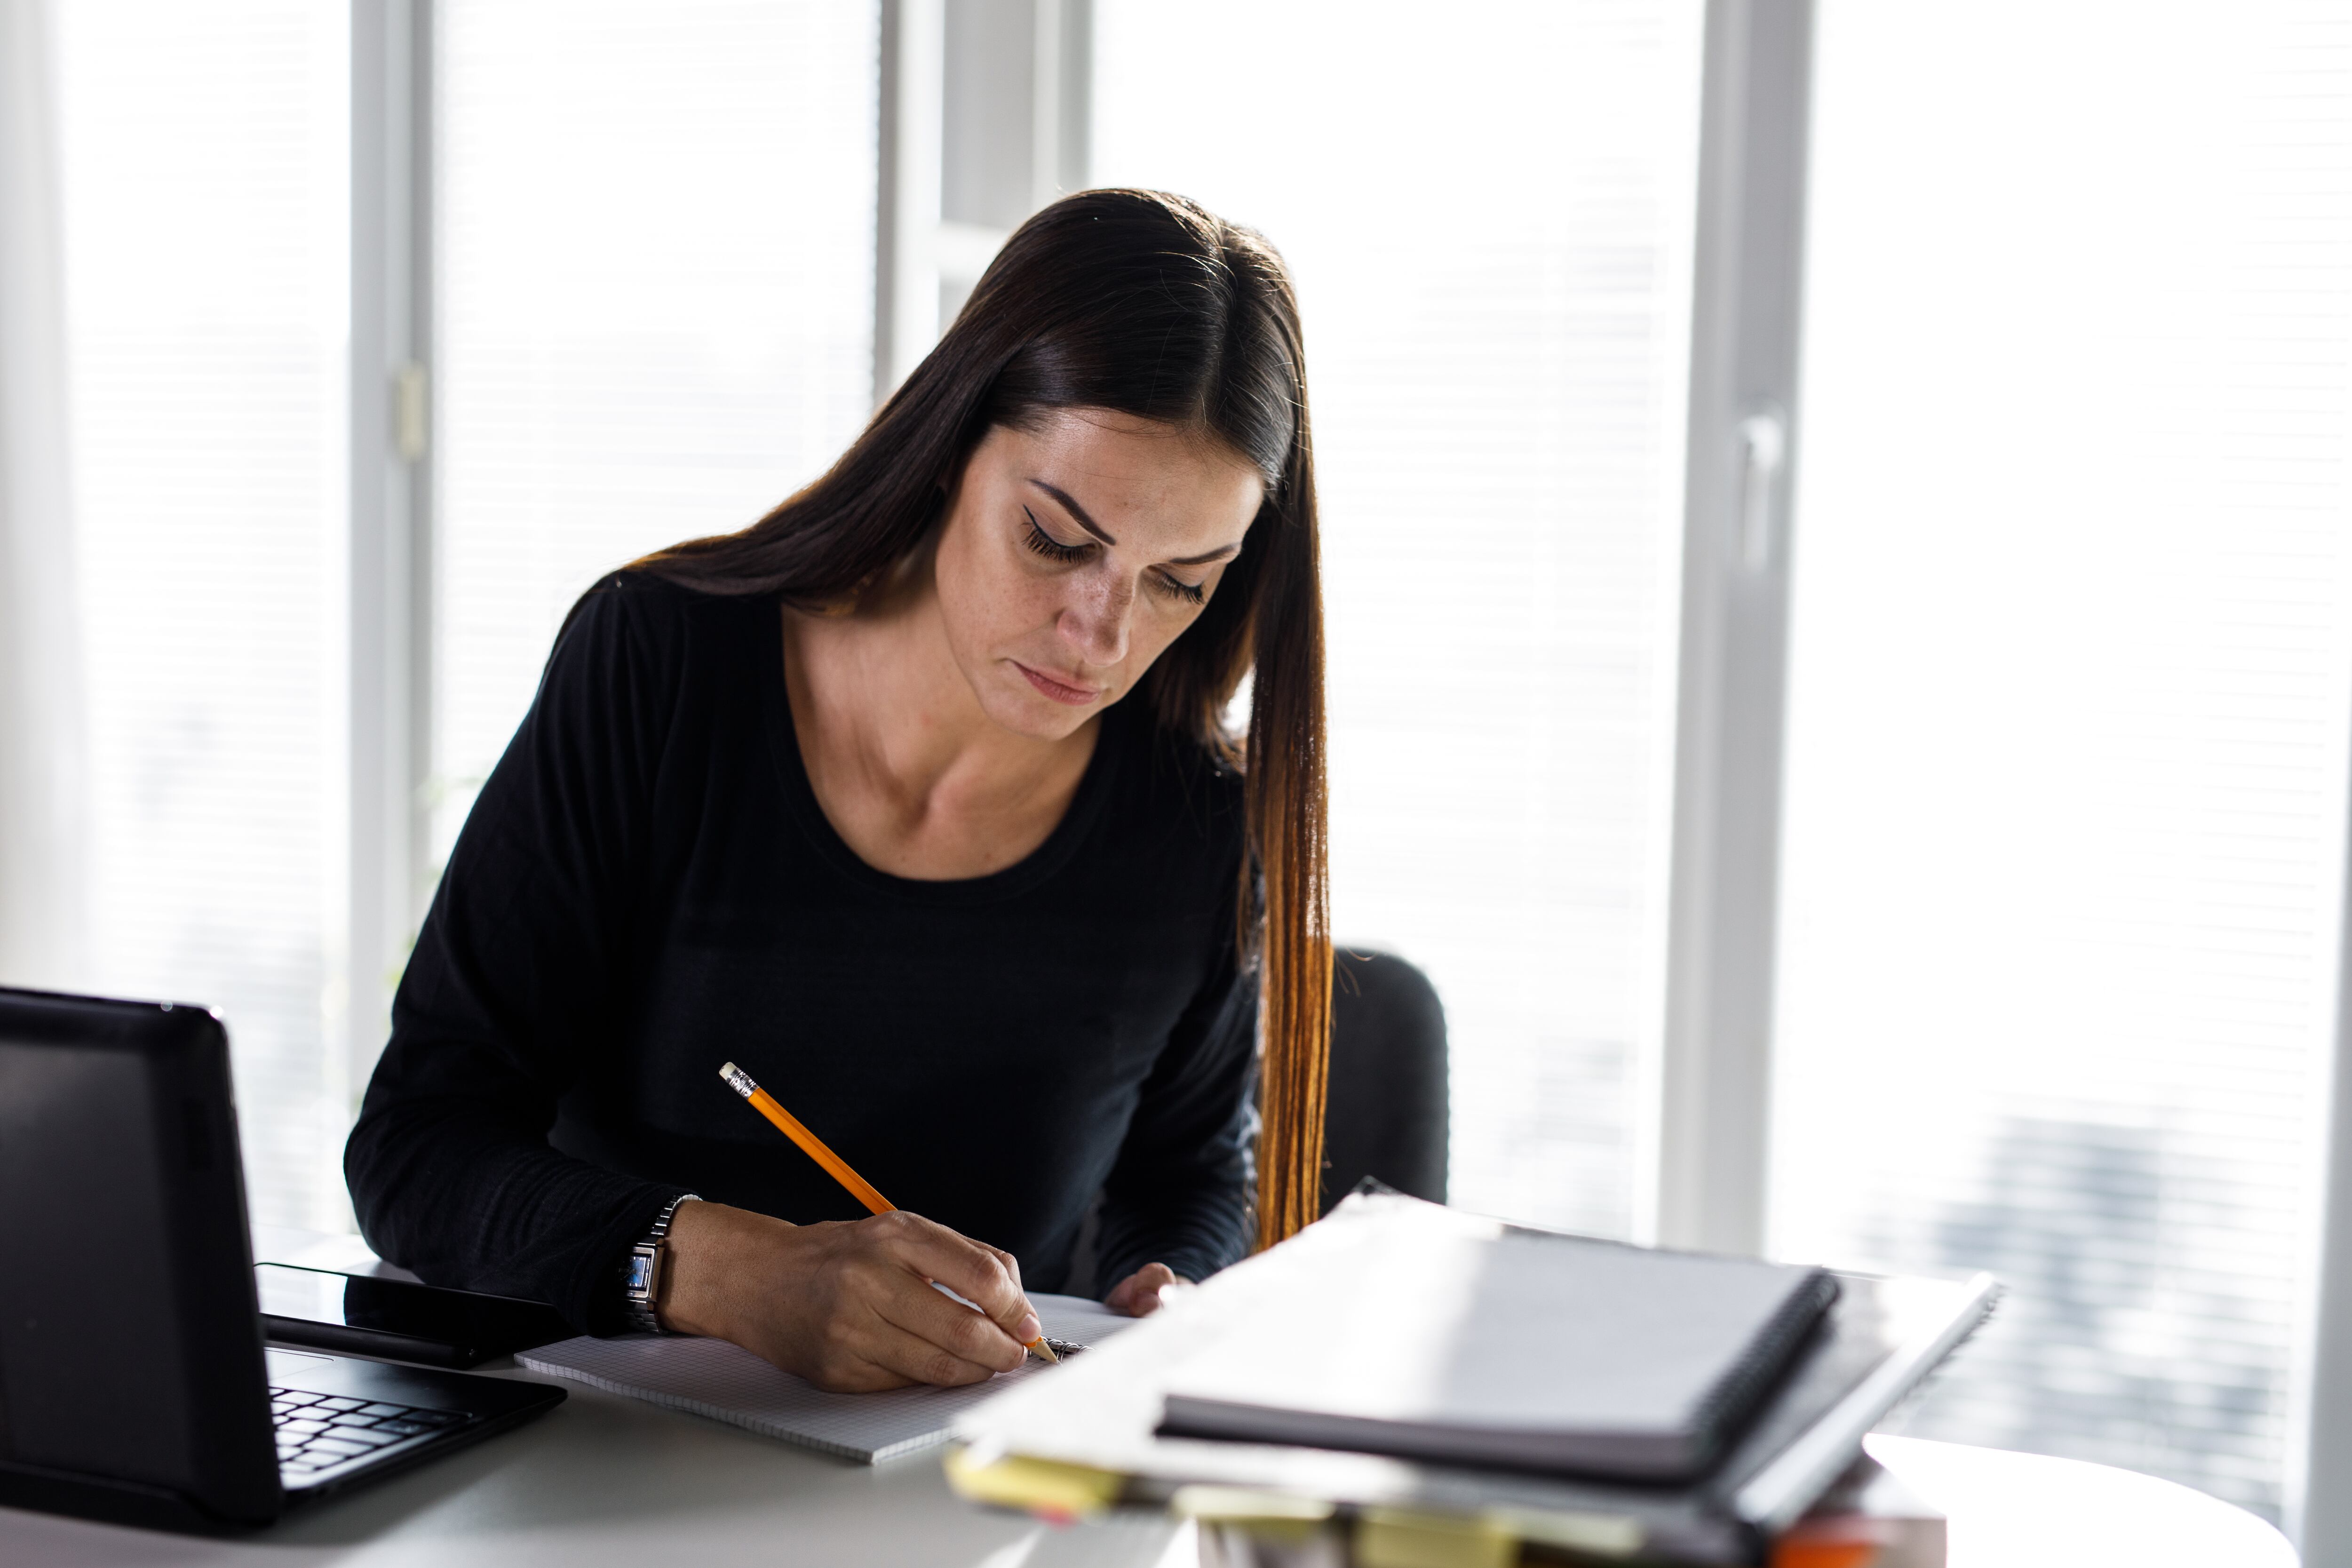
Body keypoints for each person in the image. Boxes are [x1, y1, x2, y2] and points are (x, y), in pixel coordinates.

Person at [345, 189, 1332, 1394]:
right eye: (1056, 540)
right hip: (594, 1451)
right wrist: (721, 1269)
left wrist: (1170, 1282)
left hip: (957, 1489)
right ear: (948, 446)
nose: (1102, 636)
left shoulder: (1199, 823)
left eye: (1179, 582)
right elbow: (416, 1147)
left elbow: (1186, 1171)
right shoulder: (659, 668)